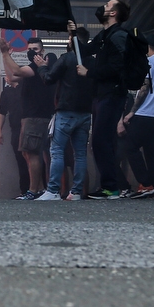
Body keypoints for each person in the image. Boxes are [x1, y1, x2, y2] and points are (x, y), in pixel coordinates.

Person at [77, 0, 134, 200]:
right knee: (102, 141)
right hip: (102, 95)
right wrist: (72, 35)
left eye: (107, 4)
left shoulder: (119, 36)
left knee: (102, 140)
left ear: (113, 13)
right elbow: (84, 51)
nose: (103, 6)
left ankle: (111, 187)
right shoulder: (105, 35)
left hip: (112, 95)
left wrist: (89, 72)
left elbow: (117, 68)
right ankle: (111, 186)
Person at [35, 28, 95, 201]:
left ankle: (53, 190)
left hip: (66, 111)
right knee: (80, 154)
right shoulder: (91, 62)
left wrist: (42, 68)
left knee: (57, 151)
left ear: (71, 41)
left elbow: (49, 79)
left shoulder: (67, 58)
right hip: (85, 113)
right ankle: (76, 192)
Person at [0, 37, 57, 200]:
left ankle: (34, 190)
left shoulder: (39, 67)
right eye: (29, 49)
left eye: (36, 50)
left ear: (42, 51)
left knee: (32, 153)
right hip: (29, 117)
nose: (32, 53)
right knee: (27, 153)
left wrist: (5, 54)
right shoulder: (32, 68)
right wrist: (5, 56)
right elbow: (12, 77)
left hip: (37, 116)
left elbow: (16, 72)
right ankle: (36, 189)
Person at [117, 34, 154, 199]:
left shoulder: (149, 62)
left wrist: (132, 111)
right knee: (152, 151)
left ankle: (146, 183)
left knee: (130, 146)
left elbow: (145, 87)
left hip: (144, 112)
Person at [0, 78, 28, 195]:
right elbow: (2, 111)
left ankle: (38, 188)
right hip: (15, 128)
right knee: (20, 160)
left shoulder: (25, 88)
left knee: (33, 158)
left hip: (29, 126)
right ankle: (24, 190)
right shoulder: (6, 92)